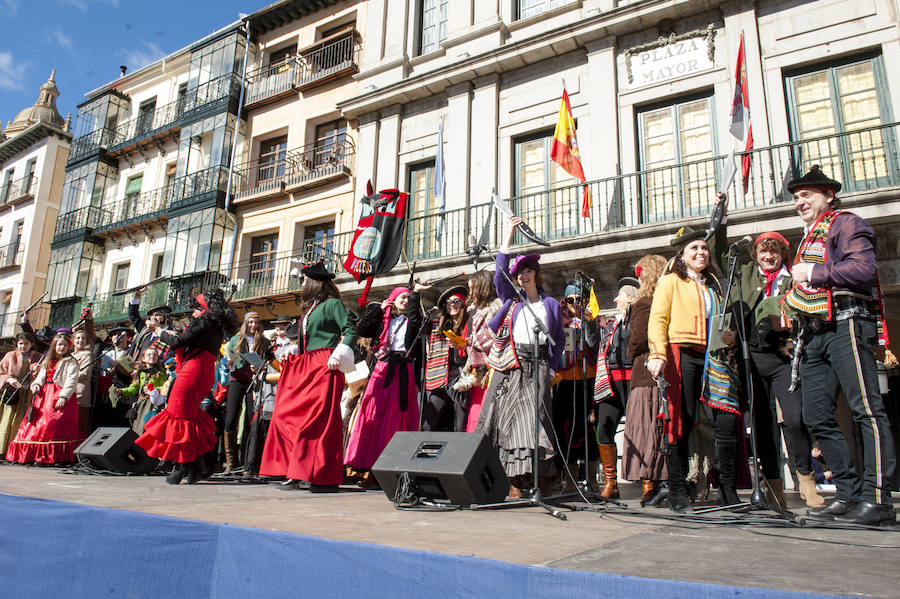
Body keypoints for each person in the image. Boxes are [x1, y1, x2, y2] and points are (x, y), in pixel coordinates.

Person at [784, 165, 896, 525]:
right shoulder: (808, 237)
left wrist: (813, 273)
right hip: (815, 333)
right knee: (816, 415)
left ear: (829, 196)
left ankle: (877, 499)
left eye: (807, 195)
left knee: (865, 408)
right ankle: (846, 495)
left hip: (847, 322)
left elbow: (862, 269)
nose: (799, 201)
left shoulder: (847, 223)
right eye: (796, 197)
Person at [713, 193, 824, 508]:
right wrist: (721, 214)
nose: (769, 255)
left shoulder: (793, 280)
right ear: (756, 254)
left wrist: (789, 329)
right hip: (751, 360)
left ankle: (805, 478)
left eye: (775, 250)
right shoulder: (745, 274)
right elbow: (719, 252)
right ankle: (774, 487)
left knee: (795, 418)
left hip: (783, 359)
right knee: (761, 426)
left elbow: (807, 312)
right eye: (764, 250)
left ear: (782, 255)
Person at [646, 226, 740, 512]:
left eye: (703, 248)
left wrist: (729, 337)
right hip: (681, 353)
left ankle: (728, 489)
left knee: (727, 419)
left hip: (714, 355)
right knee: (679, 422)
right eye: (693, 249)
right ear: (682, 255)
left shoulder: (714, 285)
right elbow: (658, 319)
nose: (701, 253)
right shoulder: (671, 282)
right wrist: (658, 353)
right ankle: (677, 490)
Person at [477, 216, 566, 498]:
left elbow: (560, 339)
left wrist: (551, 369)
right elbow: (499, 273)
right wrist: (508, 235)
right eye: (520, 273)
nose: (524, 276)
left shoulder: (550, 304)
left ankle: (531, 480)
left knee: (533, 421)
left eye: (529, 271)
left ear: (536, 275)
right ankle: (508, 480)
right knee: (504, 420)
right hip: (512, 365)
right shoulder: (511, 300)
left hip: (538, 365)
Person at [260, 262, 358, 492]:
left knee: (318, 421)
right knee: (287, 415)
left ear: (315, 282)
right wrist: (292, 352)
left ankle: (322, 476)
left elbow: (351, 330)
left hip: (324, 365)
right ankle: (296, 469)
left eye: (304, 280)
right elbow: (305, 339)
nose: (302, 283)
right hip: (305, 365)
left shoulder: (333, 304)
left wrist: (339, 352)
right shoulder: (309, 309)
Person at [136, 289, 238, 484]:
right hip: (204, 372)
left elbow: (176, 342)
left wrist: (158, 331)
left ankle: (184, 467)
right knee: (190, 420)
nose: (192, 313)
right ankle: (194, 467)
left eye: (195, 309)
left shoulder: (203, 322)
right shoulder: (214, 325)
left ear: (202, 309)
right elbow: (186, 339)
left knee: (178, 418)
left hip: (192, 372)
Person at [344, 283, 425, 485]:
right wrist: (378, 310)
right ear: (393, 299)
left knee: (396, 419)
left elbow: (416, 322)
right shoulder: (383, 319)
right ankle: (369, 468)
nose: (405, 301)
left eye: (408, 298)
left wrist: (415, 295)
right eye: (402, 298)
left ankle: (392, 468)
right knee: (374, 417)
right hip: (382, 370)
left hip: (403, 371)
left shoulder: (414, 321)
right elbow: (362, 329)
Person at [620, 255, 669, 505]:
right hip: (664, 370)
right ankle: (660, 482)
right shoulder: (665, 300)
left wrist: (630, 351)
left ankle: (653, 483)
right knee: (657, 429)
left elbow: (637, 339)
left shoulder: (644, 304)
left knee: (646, 427)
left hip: (645, 372)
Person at [587, 278, 638, 499]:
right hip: (610, 381)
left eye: (621, 295)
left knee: (639, 430)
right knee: (604, 428)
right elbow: (592, 343)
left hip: (633, 380)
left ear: (630, 298)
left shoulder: (637, 319)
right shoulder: (611, 324)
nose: (616, 299)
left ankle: (648, 482)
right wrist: (590, 322)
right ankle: (611, 482)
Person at [6, 332, 83, 464]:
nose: (61, 348)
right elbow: (41, 376)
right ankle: (33, 455)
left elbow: (71, 381)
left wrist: (63, 397)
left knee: (53, 426)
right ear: (54, 346)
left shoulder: (71, 362)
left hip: (58, 395)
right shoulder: (48, 360)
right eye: (59, 345)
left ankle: (52, 456)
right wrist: (36, 384)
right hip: (44, 395)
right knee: (35, 426)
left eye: (64, 345)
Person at [551, 281, 598, 491]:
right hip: (565, 382)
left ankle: (592, 479)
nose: (575, 304)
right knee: (565, 431)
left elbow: (594, 344)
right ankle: (569, 481)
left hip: (587, 382)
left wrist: (588, 321)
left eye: (579, 300)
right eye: (571, 300)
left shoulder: (593, 320)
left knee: (588, 430)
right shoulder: (561, 323)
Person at [223, 311, 271, 473]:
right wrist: (230, 362)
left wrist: (260, 366)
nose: (253, 325)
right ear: (245, 323)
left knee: (252, 420)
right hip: (237, 379)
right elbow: (229, 361)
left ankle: (247, 461)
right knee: (231, 419)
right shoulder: (236, 339)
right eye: (250, 322)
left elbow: (268, 361)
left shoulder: (264, 341)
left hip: (254, 381)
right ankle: (231, 461)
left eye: (256, 322)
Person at [422, 285, 470, 432]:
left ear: (463, 304)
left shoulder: (469, 324)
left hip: (461, 380)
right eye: (449, 302)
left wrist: (461, 346)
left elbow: (476, 350)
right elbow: (414, 321)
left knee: (460, 426)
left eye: (456, 301)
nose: (452, 305)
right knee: (427, 423)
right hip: (440, 381)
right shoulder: (438, 327)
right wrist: (415, 294)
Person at [458, 270, 501, 432]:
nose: (470, 293)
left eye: (472, 289)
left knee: (487, 415)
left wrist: (470, 343)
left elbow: (493, 338)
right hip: (479, 370)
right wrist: (464, 343)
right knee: (476, 416)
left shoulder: (497, 306)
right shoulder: (477, 310)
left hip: (493, 368)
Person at [0, 333, 41, 456]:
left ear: (32, 344)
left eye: (26, 343)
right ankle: (2, 449)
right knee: (7, 420)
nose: (23, 346)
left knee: (22, 422)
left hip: (28, 395)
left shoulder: (38, 357)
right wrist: (8, 379)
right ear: (17, 344)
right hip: (12, 394)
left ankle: (16, 452)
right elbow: (1, 372)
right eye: (21, 343)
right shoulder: (10, 356)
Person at [118, 346, 168, 436]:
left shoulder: (160, 373)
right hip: (141, 403)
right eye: (149, 355)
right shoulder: (140, 372)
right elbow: (134, 388)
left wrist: (154, 389)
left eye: (154, 355)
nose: (152, 356)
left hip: (153, 404)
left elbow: (165, 388)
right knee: (137, 429)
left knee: (148, 428)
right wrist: (121, 391)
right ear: (143, 358)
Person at [128, 291, 174, 362]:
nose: (153, 317)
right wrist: (137, 295)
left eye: (157, 315)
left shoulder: (171, 336)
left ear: (167, 317)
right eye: (151, 315)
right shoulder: (145, 332)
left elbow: (170, 358)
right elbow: (133, 316)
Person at [72, 307, 96, 438]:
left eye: (83, 339)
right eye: (78, 338)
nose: (80, 341)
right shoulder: (68, 355)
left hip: (80, 395)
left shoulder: (87, 355)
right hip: (67, 394)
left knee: (80, 425)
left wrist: (66, 376)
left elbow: (85, 373)